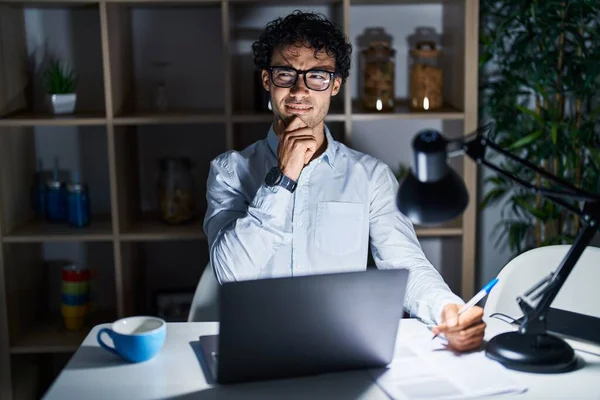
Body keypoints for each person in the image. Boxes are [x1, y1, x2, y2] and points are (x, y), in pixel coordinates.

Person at [203, 11, 485, 352]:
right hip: (255, 345)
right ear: (267, 80)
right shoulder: (229, 171)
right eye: (285, 74)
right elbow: (231, 275)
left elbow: (404, 263)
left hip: (339, 345)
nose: (299, 89)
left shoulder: (371, 176)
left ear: (335, 85)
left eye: (317, 76)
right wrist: (283, 178)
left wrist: (447, 308)